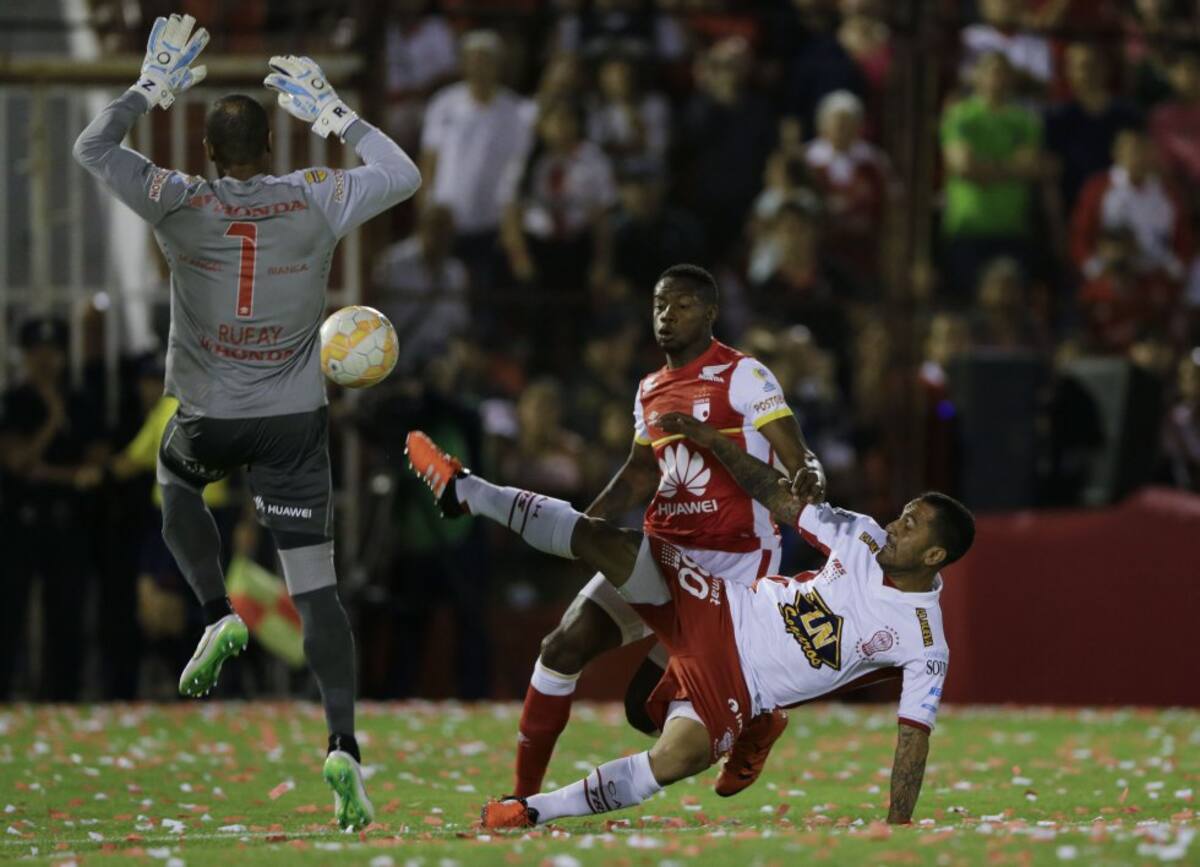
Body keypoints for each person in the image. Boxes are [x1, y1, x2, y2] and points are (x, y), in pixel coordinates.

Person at [73, 14, 421, 829]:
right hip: (293, 421)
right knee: (317, 591)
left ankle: (215, 611)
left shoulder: (178, 198)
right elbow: (402, 174)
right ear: (270, 146)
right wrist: (335, 114)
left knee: (174, 484)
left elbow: (92, 146)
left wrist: (148, 89)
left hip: (210, 415)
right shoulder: (315, 196)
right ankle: (343, 744)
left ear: (207, 152)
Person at [403, 413, 974, 829]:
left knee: (675, 754)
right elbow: (779, 498)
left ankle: (531, 811)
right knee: (613, 543)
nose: (894, 526)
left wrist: (898, 828)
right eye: (902, 515)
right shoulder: (861, 535)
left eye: (910, 525)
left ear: (934, 555)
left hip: (740, 685)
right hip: (722, 605)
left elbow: (912, 737)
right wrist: (713, 442)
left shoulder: (925, 641)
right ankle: (468, 490)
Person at [487, 263, 826, 799]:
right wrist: (585, 525)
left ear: (711, 313)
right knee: (563, 646)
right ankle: (520, 798)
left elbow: (796, 452)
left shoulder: (744, 374)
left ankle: (759, 722)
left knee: (644, 707)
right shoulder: (649, 388)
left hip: (731, 563)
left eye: (683, 306)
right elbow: (641, 472)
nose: (668, 316)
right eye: (660, 306)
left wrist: (810, 474)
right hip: (661, 551)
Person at [0, 316, 108, 701]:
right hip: (20, 523)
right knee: (9, 611)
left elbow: (95, 469)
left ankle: (62, 694)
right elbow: (16, 462)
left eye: (51, 352)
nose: (44, 361)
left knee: (66, 612)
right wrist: (52, 421)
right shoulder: (15, 401)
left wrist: (47, 473)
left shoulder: (82, 401)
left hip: (69, 524)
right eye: (37, 352)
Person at [420, 29, 533, 294]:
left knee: (485, 294)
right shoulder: (443, 104)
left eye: (486, 60)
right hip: (446, 221)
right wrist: (425, 211)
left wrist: (510, 226)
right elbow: (429, 162)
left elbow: (516, 171)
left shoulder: (518, 111)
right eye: (473, 59)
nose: (479, 66)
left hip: (491, 223)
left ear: (499, 65)